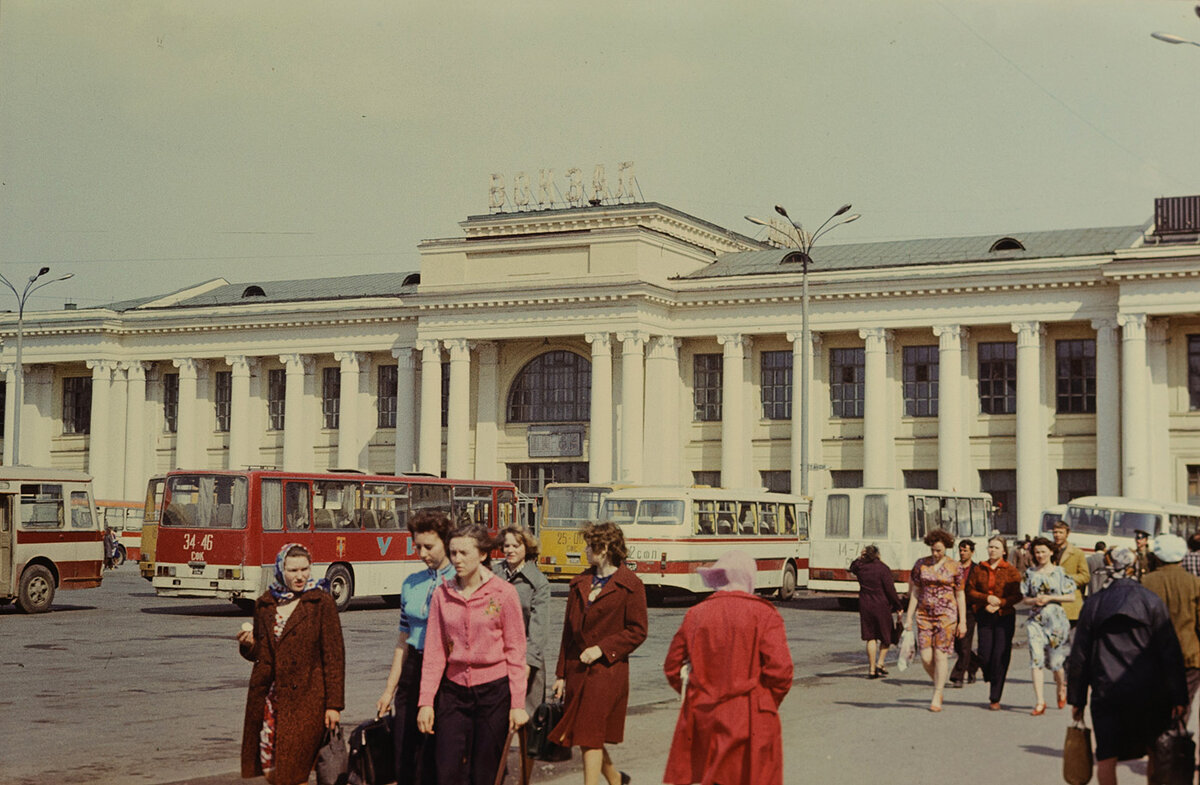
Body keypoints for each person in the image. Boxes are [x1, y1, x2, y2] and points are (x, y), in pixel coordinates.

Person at [663, 551, 793, 785]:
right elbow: (781, 670)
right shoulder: (764, 613)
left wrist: (696, 693)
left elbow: (673, 666)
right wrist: (765, 702)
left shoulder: (696, 614)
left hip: (704, 713)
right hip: (751, 716)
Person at [417, 524, 528, 785]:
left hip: (494, 694)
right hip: (453, 693)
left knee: (485, 773)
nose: (457, 560)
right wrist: (426, 701)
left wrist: (518, 705)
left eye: (464, 553)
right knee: (447, 770)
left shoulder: (504, 593)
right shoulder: (442, 594)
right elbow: (434, 652)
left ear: (482, 555)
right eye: (453, 553)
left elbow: (516, 650)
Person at [1068, 546, 1188, 785]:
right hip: (1150, 691)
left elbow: (1079, 656)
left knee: (1106, 755)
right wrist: (1178, 697)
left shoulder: (1094, 604)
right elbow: (1169, 652)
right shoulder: (1152, 602)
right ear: (1135, 568)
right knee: (1155, 749)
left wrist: (1077, 699)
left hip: (1106, 691)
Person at [237, 544, 345, 785]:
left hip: (308, 703)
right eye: (293, 570)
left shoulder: (321, 603)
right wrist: (248, 644)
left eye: (305, 569)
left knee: (294, 772)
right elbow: (262, 654)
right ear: (280, 569)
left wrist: (334, 705)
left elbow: (334, 657)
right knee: (271, 770)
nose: (300, 576)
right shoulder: (265, 605)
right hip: (270, 702)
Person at [551, 521, 648, 785]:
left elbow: (638, 631)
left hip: (606, 672)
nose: (585, 550)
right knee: (584, 733)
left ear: (604, 548)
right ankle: (616, 779)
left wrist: (602, 649)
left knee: (588, 733)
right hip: (576, 670)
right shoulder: (580, 582)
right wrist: (560, 674)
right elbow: (567, 635)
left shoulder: (631, 584)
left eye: (589, 545)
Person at [374, 511, 454, 785]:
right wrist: (389, 690)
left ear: (446, 542)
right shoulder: (411, 583)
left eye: (428, 547)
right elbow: (402, 642)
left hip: (447, 674)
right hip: (412, 670)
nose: (421, 553)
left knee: (435, 753)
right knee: (404, 749)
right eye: (417, 546)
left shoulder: (461, 581)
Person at [903, 528, 967, 712]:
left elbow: (960, 594)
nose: (935, 553)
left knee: (940, 654)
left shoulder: (955, 566)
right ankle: (938, 680)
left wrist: (962, 621)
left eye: (939, 550)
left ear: (946, 547)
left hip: (947, 615)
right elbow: (915, 591)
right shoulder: (921, 564)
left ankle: (937, 692)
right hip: (924, 615)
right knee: (925, 657)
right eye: (933, 549)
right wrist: (908, 617)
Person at [1140, 533, 1200, 725]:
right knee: (1184, 703)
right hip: (1189, 654)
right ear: (1182, 556)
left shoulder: (1146, 582)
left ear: (1157, 556)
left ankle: (1160, 743)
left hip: (1154, 654)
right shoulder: (1195, 583)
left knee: (1158, 703)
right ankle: (1176, 740)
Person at [500, 524, 552, 717]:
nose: (510, 550)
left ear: (527, 548)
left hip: (526, 660)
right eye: (507, 546)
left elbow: (539, 629)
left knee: (528, 723)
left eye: (516, 546)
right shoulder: (492, 575)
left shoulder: (538, 582)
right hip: (496, 657)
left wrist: (528, 664)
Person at [966, 535, 1023, 710]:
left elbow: (1017, 595)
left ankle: (995, 697)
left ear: (1004, 551)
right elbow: (970, 590)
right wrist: (986, 599)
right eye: (990, 547)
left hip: (1004, 617)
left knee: (1000, 655)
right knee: (984, 653)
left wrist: (1000, 602)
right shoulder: (979, 569)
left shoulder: (1011, 570)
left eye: (996, 547)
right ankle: (986, 671)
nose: (992, 550)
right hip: (984, 614)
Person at [1020, 536, 1075, 715]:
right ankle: (1040, 702)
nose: (1040, 555)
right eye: (1037, 552)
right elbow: (1024, 598)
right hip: (1036, 621)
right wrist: (1035, 600)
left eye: (1043, 551)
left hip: (1056, 621)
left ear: (1051, 552)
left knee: (1055, 663)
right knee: (1036, 661)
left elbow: (1071, 596)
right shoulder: (1030, 573)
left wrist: (1051, 598)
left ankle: (1061, 688)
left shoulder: (1060, 572)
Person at [849, 545, 903, 679]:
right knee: (887, 636)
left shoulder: (861, 568)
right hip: (881, 605)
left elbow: (852, 567)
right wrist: (898, 605)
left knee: (870, 637)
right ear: (878, 555)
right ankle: (880, 663)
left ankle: (872, 669)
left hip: (865, 605)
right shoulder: (883, 568)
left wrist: (859, 557)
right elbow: (890, 590)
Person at [949, 539, 981, 688]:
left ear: (972, 552)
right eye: (960, 550)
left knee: (964, 643)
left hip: (970, 610)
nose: (962, 553)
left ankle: (958, 676)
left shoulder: (977, 569)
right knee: (956, 644)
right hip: (953, 609)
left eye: (965, 550)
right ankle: (974, 663)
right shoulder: (954, 567)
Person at [1050, 521, 1089, 624]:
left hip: (1070, 604)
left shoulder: (1077, 553)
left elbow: (1085, 577)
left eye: (1060, 532)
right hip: (1050, 603)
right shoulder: (1048, 551)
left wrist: (1065, 578)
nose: (1057, 535)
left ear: (1067, 534)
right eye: (1055, 532)